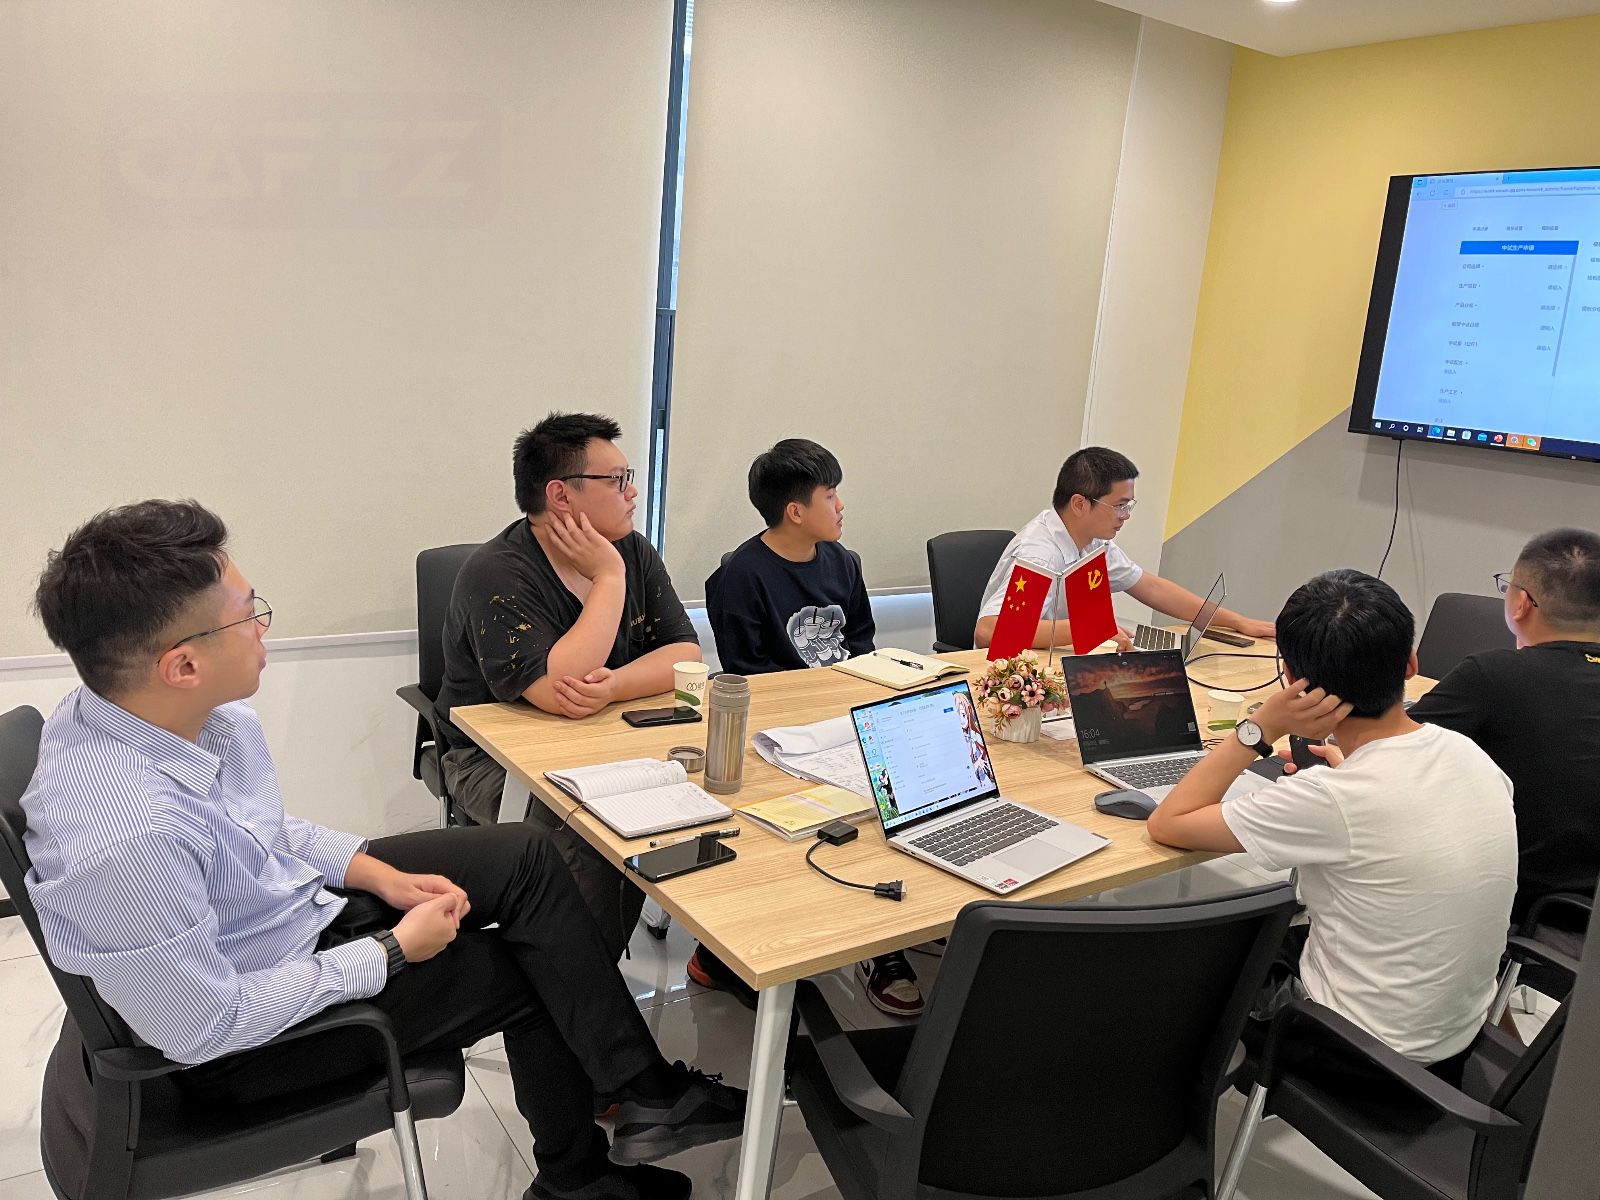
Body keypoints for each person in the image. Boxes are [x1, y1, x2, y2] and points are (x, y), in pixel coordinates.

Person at [22, 500, 743, 1200]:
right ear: (182, 665)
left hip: (281, 919)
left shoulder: (167, 714)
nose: (264, 628)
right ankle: (575, 1178)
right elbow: (206, 1026)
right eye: (247, 616)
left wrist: (379, 875)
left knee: (525, 854)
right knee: (533, 973)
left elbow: (262, 833)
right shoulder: (123, 839)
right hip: (244, 1043)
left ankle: (645, 1094)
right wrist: (392, 950)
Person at [1146, 569, 1516, 1078]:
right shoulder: (1469, 755)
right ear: (1411, 663)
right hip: (1454, 1038)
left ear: (1291, 681)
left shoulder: (1333, 799)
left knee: (1182, 959)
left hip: (1358, 1056)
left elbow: (1169, 822)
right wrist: (1345, 775)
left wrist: (1261, 726)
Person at [435, 412, 700, 960]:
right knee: (591, 836)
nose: (633, 494)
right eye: (618, 480)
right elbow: (563, 694)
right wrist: (608, 578)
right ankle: (571, 987)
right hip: (490, 761)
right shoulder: (498, 572)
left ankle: (624, 974)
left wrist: (614, 686)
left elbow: (684, 654)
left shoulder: (631, 550)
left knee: (698, 794)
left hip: (604, 742)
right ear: (560, 495)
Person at [703, 438, 923, 1017]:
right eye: (831, 495)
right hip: (783, 733)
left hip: (841, 719)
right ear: (795, 511)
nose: (841, 505)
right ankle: (830, 941)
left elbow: (862, 647)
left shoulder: (842, 563)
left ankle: (891, 926)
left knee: (905, 790)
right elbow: (747, 674)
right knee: (841, 814)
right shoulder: (742, 575)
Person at [1408, 528, 1600, 938]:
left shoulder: (1493, 674)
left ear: (1521, 603)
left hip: (1523, 909)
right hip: (1586, 922)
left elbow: (1386, 753)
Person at [974, 447, 1274, 651]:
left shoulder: (1094, 542)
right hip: (1018, 680)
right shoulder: (1041, 554)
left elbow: (1152, 588)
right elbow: (990, 630)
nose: (1126, 516)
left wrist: (1238, 622)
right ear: (1079, 504)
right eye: (1119, 506)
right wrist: (1090, 628)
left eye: (1129, 505)